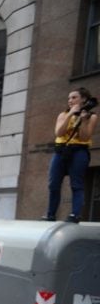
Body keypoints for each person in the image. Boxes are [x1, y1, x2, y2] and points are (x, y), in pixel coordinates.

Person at [43, 87, 98, 223]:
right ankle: (50, 215)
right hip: (61, 150)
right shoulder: (62, 115)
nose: (70, 100)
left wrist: (83, 120)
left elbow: (85, 137)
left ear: (83, 99)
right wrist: (70, 115)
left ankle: (75, 215)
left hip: (79, 151)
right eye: (69, 98)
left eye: (74, 97)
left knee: (76, 184)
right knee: (53, 184)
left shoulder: (92, 116)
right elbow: (59, 133)